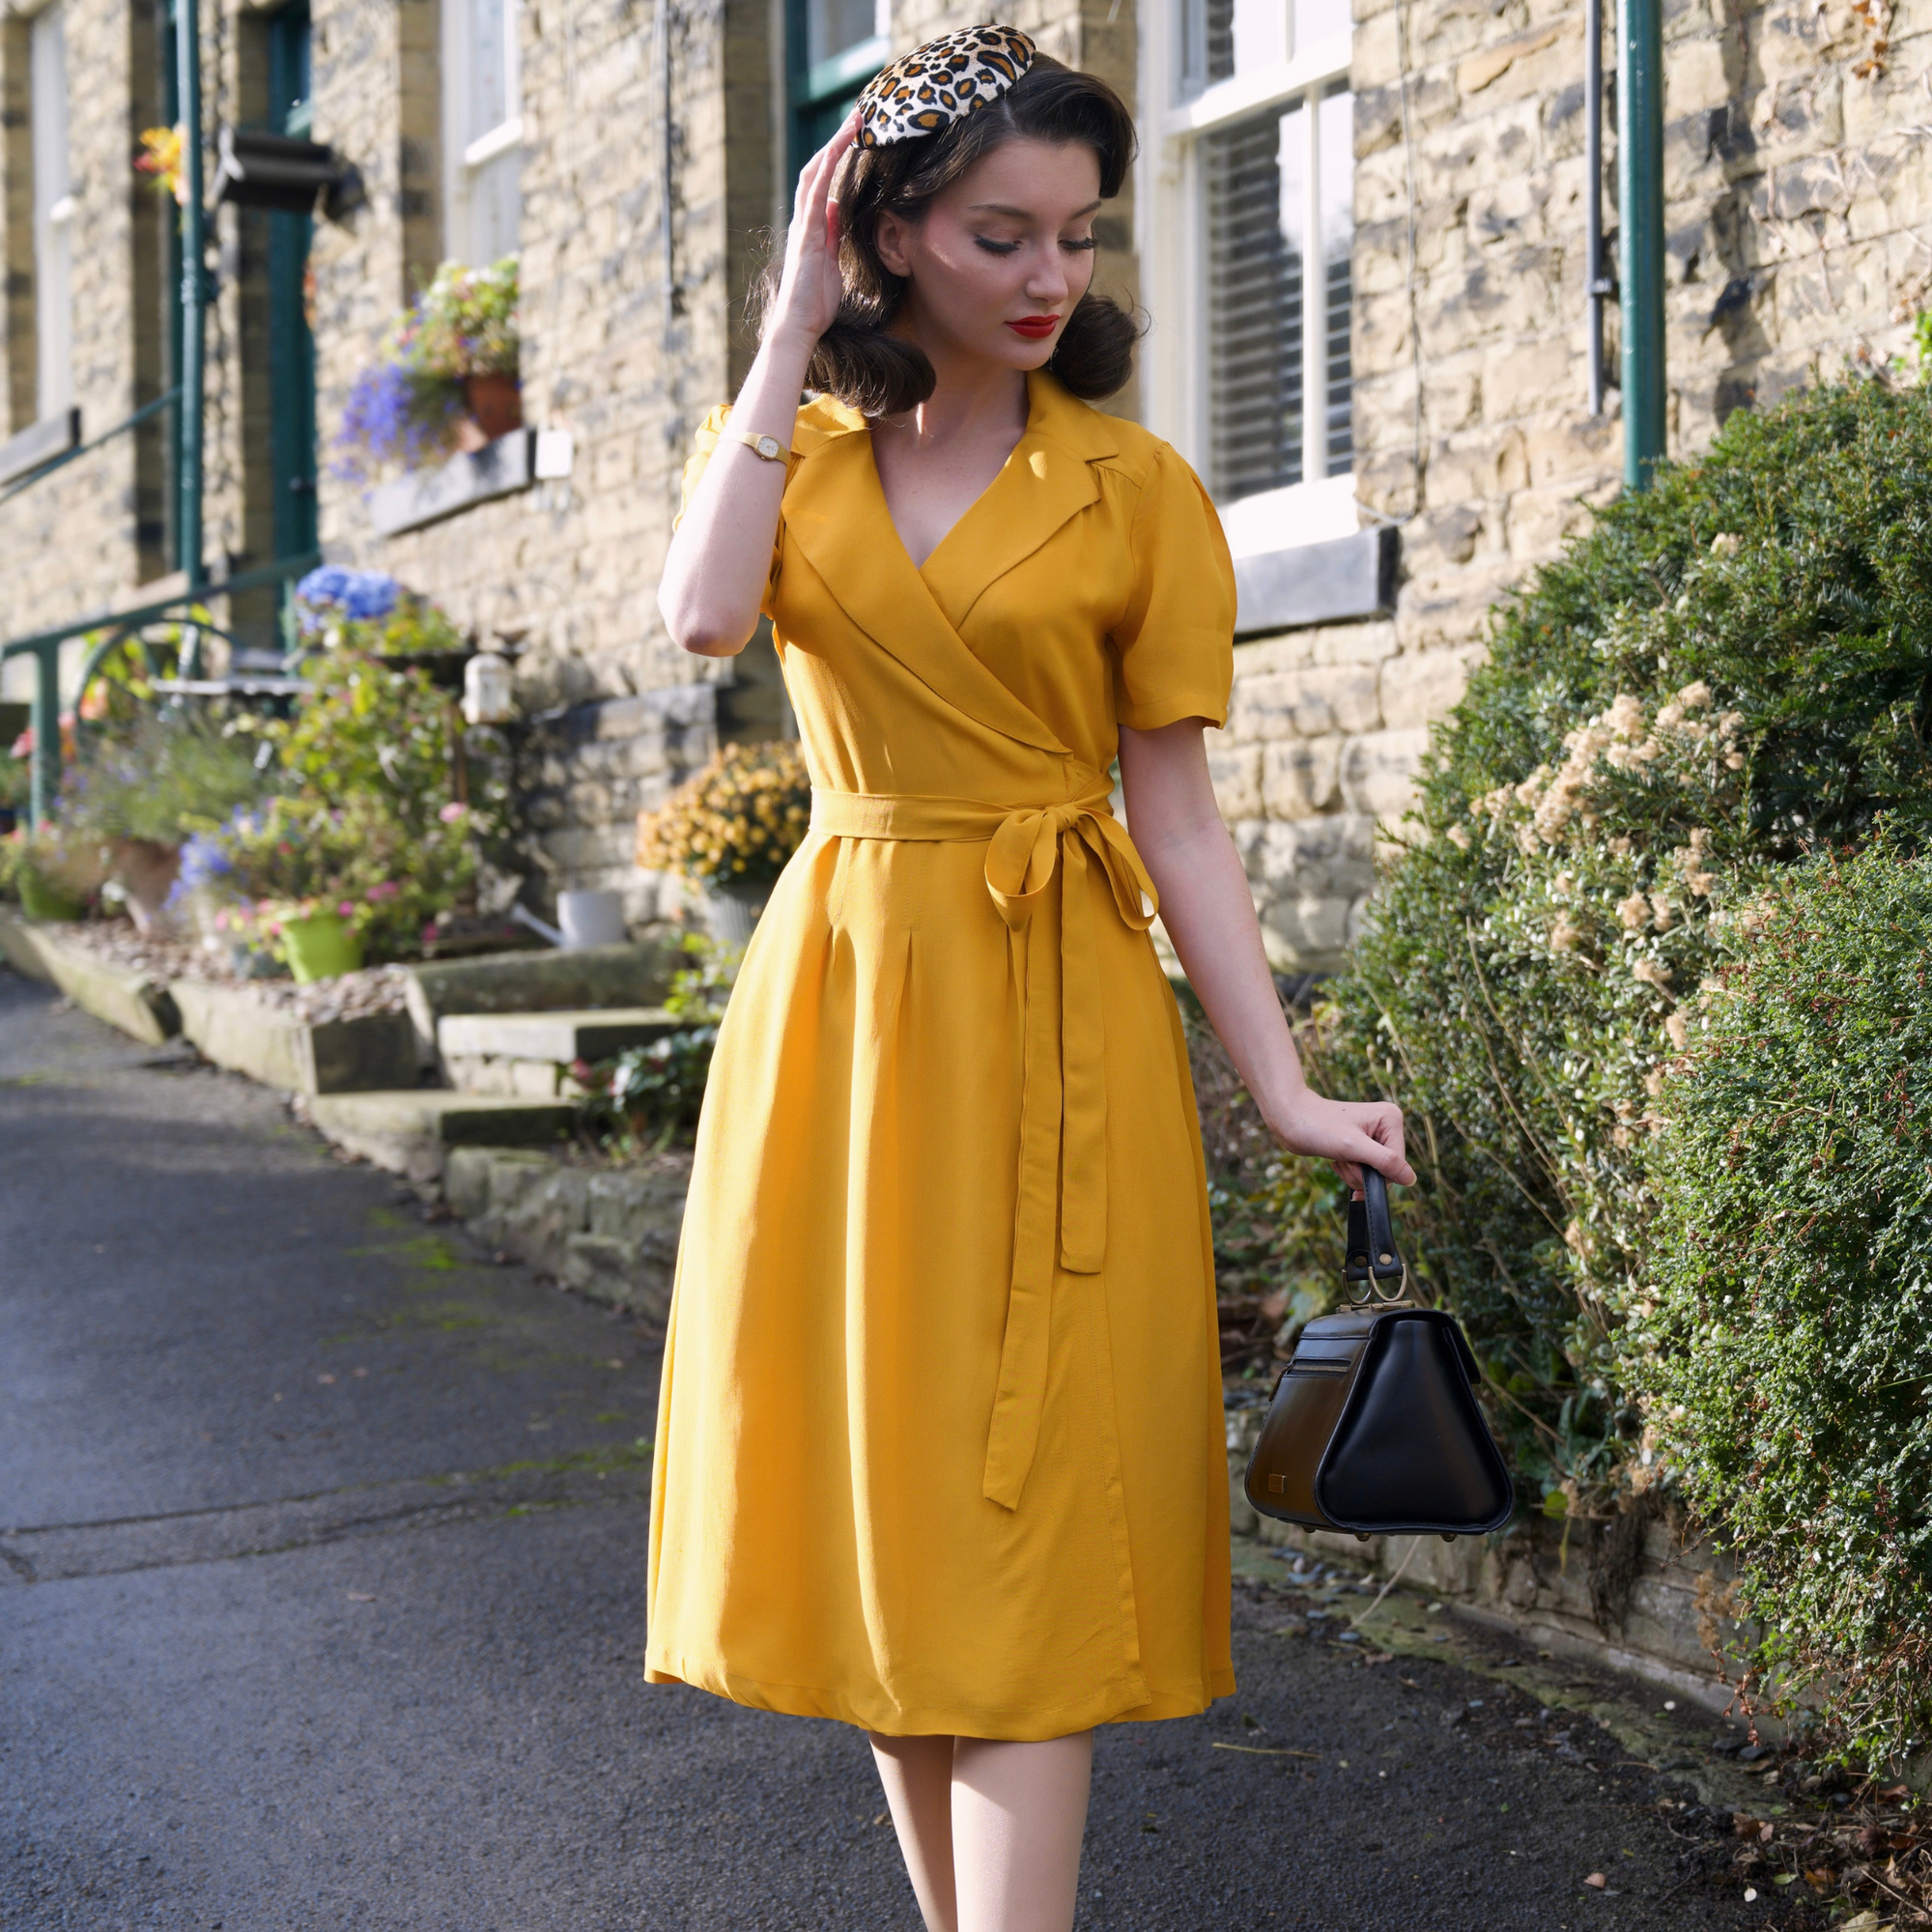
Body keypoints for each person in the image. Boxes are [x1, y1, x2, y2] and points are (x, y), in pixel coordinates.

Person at [649, 25, 1412, 1931]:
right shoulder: (796, 456)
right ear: (886, 231)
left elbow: (1183, 818)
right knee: (900, 1534)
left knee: (1028, 1535)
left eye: (1076, 234)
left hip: (1054, 1014)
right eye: (1000, 233)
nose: (1050, 276)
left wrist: (1280, 1082)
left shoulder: (1135, 486)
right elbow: (696, 616)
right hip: (840, 1022)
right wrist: (780, 331)